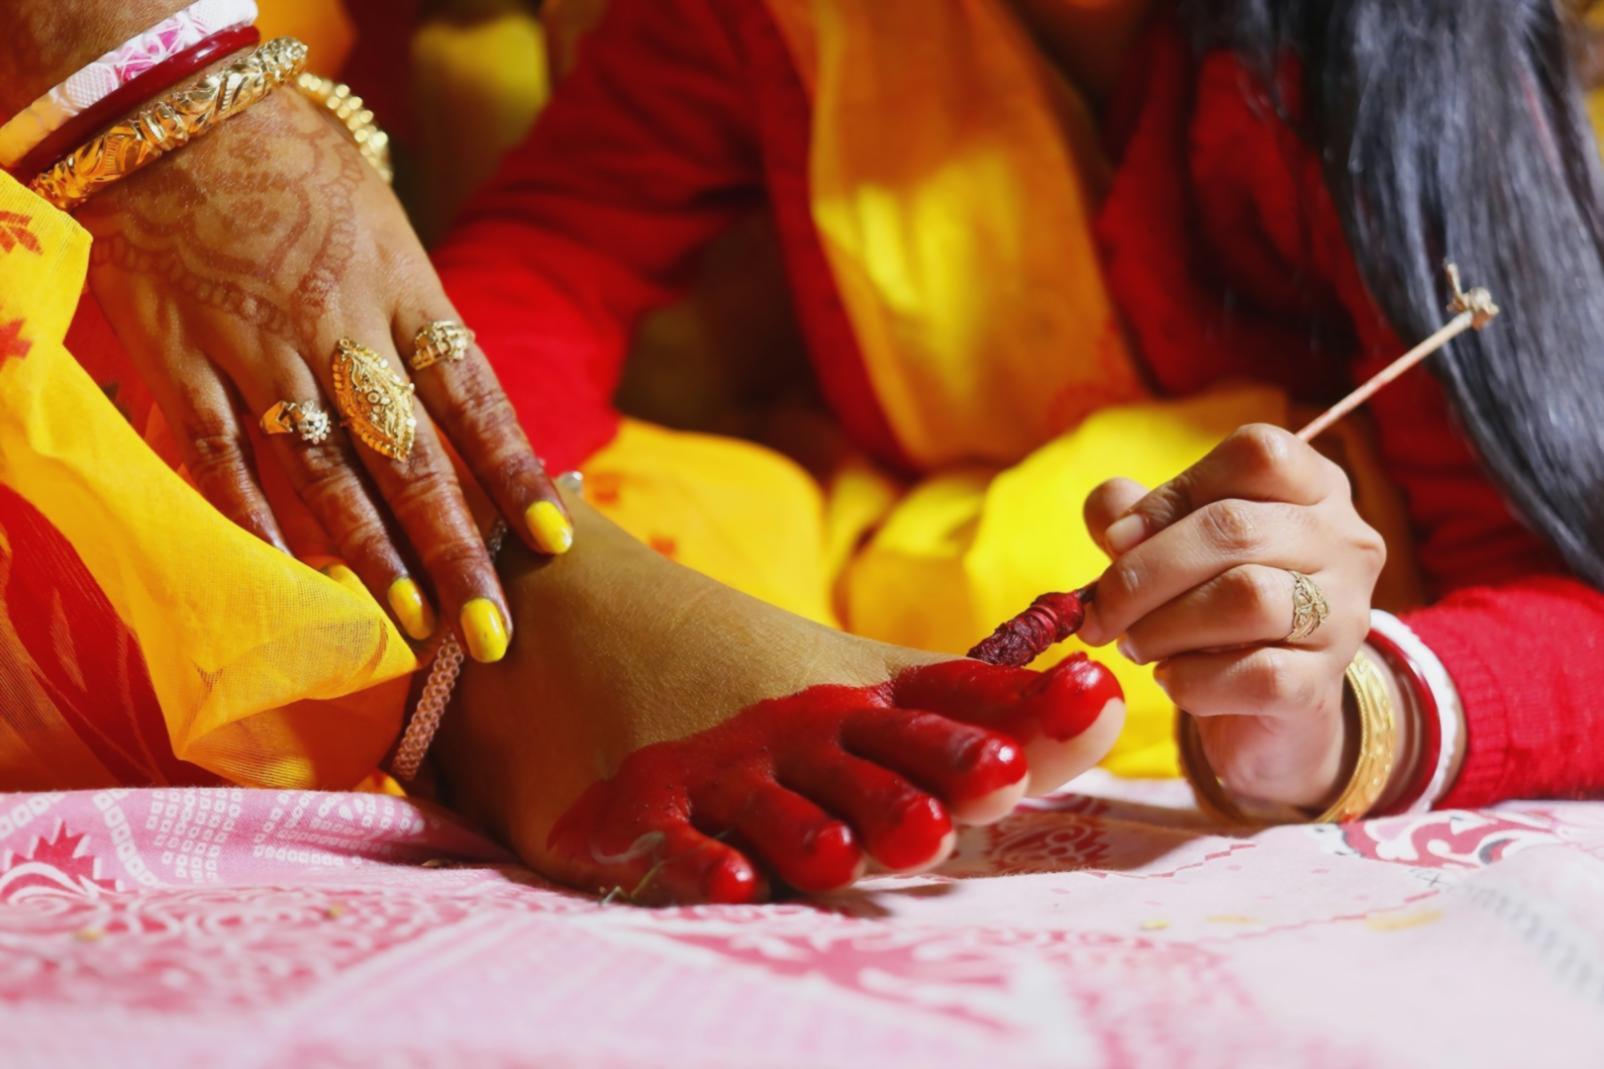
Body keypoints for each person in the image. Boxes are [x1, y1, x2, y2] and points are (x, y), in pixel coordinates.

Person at [2, 0, 1602, 903]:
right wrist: (536, 562)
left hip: (1254, 611)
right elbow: (548, 269)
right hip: (855, 541)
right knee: (667, 505)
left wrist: (1337, 714)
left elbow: (1576, 596)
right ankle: (519, 656)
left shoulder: (1401, 51)